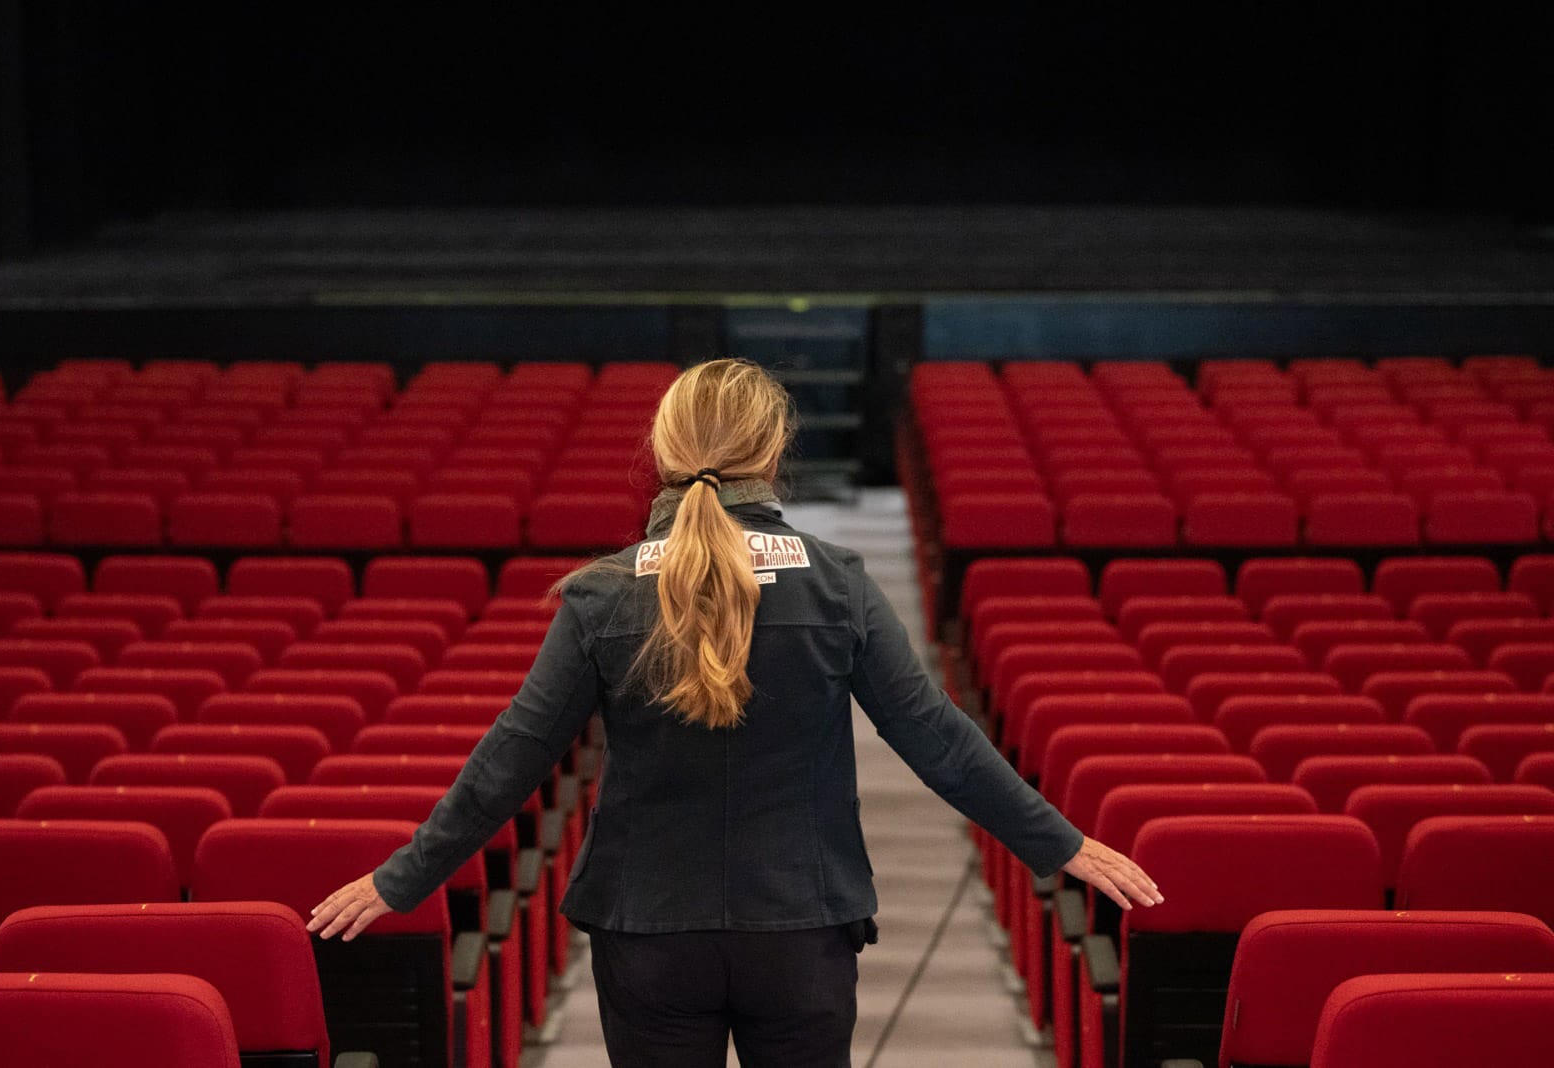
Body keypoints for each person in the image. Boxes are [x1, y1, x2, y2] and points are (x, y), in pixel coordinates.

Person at [307, 357, 1162, 1066]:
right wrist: (1064, 844)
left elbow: (514, 757)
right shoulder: (838, 583)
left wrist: (402, 879)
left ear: (663, 450)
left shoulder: (601, 594)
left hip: (647, 927)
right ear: (775, 449)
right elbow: (934, 735)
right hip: (801, 925)